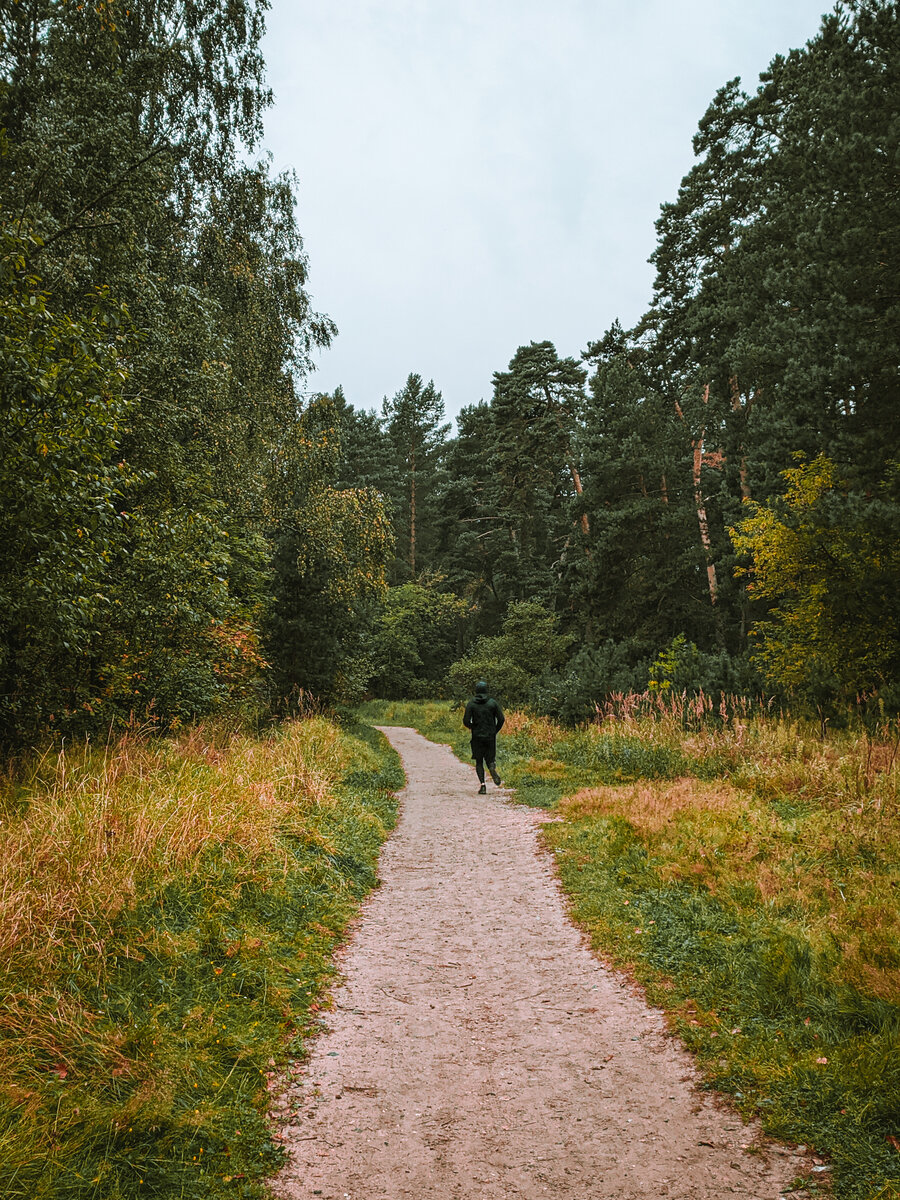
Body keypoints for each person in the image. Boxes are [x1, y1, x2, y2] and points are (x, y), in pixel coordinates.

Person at [463, 680, 504, 794]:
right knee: (490, 758)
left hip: (477, 736)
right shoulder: (492, 703)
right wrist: (495, 730)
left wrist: (473, 727)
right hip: (490, 736)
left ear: (476, 690)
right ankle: (491, 767)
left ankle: (483, 785)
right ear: (486, 690)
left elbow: (466, 721)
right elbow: (501, 719)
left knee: (479, 761)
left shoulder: (471, 703)